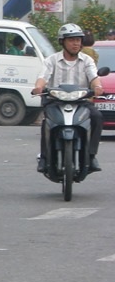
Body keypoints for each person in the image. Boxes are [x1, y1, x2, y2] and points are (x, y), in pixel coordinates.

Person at [31, 22, 103, 173]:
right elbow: (43, 77)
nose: (76, 43)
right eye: (71, 40)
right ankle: (44, 158)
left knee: (96, 116)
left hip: (81, 102)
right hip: (55, 101)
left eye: (78, 40)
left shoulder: (87, 61)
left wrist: (97, 87)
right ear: (62, 42)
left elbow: (94, 78)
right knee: (47, 123)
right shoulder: (51, 60)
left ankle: (91, 155)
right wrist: (38, 87)